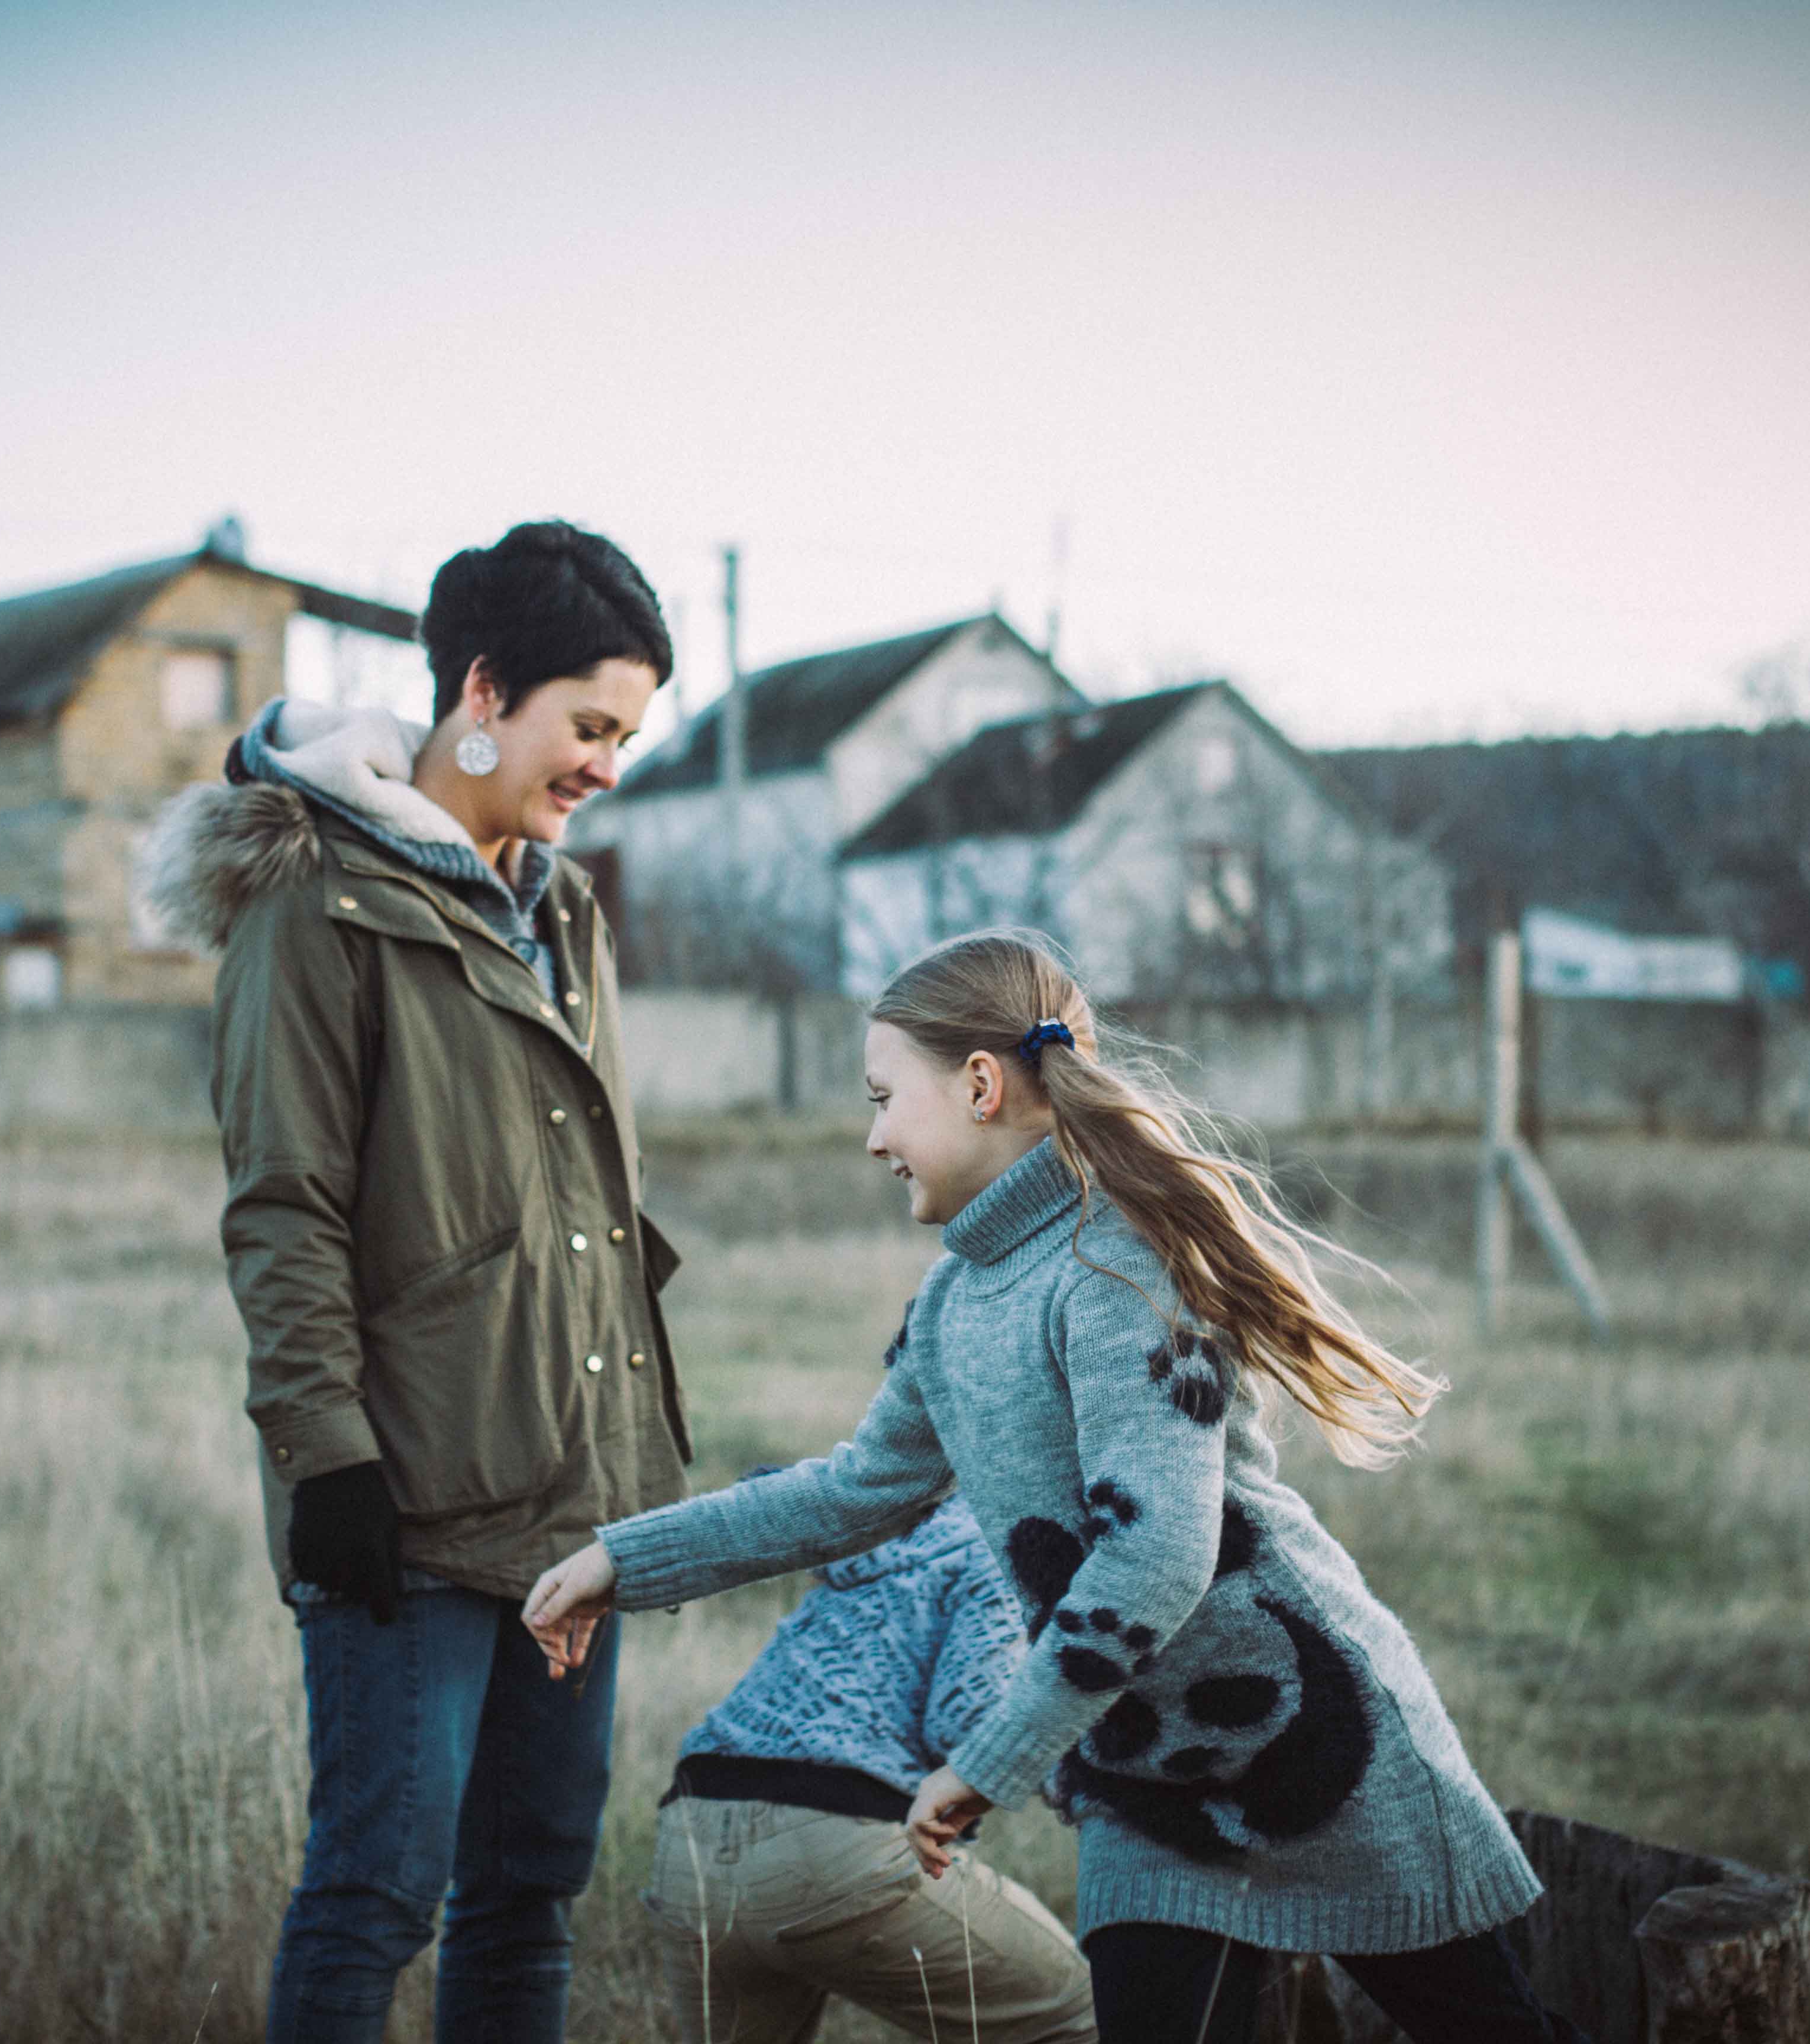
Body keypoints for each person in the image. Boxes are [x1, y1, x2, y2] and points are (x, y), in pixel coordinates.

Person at [526, 930, 1589, 2044]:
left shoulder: (1117, 1264)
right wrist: (622, 1560)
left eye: (885, 1099)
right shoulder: (953, 1303)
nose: (873, 1136)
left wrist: (990, 1762)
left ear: (981, 1085)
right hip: (1151, 1795)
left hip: (1321, 1743)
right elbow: (853, 1493)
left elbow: (1158, 1552)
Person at [140, 521, 695, 2044]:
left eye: (627, 738)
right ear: (483, 690)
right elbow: (284, 1208)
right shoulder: (312, 897)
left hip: (571, 1498)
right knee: (377, 1891)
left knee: (529, 1891)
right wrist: (327, 1458)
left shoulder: (564, 910)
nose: (607, 767)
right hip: (404, 1496)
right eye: (590, 727)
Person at [641, 1482, 1096, 2043]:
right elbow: (967, 1715)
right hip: (835, 1847)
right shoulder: (1004, 1542)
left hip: (691, 1842)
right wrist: (1093, 1786)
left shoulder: (887, 1531)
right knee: (1088, 2018)